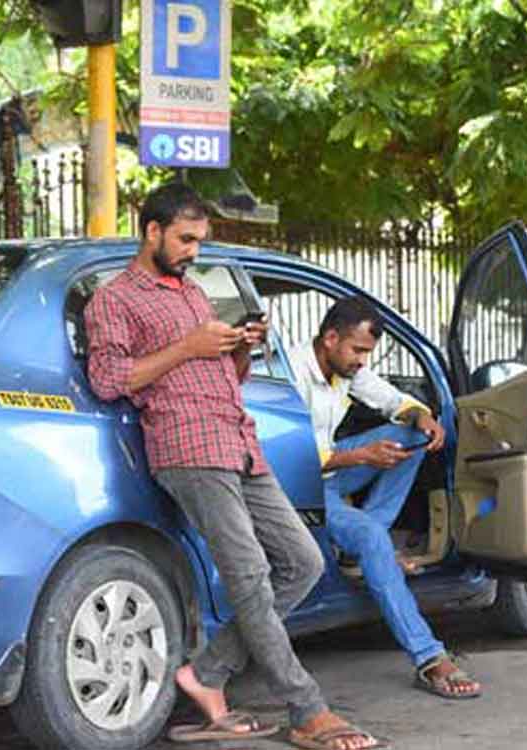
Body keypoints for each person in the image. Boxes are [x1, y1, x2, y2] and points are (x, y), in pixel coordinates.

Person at [85, 182, 386, 750]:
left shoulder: (193, 294)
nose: (194, 250)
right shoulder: (115, 299)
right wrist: (189, 347)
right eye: (186, 239)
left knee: (301, 561)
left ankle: (206, 672)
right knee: (248, 573)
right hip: (188, 448)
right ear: (152, 232)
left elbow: (223, 375)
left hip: (239, 441)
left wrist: (241, 347)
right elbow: (109, 380)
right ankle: (307, 708)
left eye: (200, 240)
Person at [288, 295, 482, 700]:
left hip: (332, 474)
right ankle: (429, 657)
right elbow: (288, 457)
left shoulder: (347, 370)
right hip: (298, 487)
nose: (362, 360)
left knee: (411, 437)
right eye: (358, 350)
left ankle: (365, 539)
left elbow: (394, 401)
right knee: (374, 541)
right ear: (330, 338)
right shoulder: (290, 371)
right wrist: (360, 456)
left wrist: (422, 416)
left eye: (367, 353)